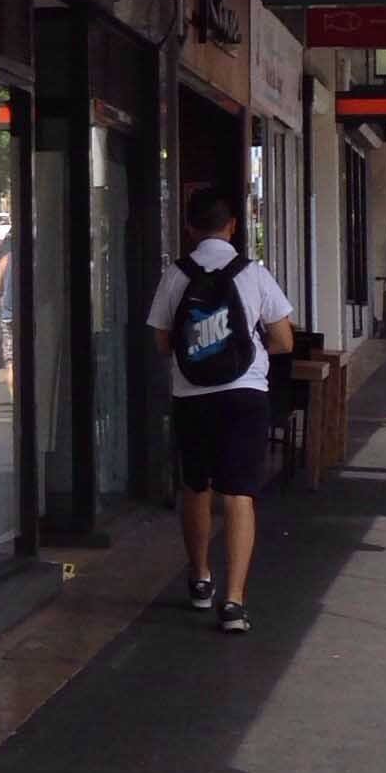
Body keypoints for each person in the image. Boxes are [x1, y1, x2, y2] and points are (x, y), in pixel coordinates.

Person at [149, 187, 296, 633]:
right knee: (238, 494)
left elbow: (160, 341)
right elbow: (284, 340)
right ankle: (233, 602)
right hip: (244, 394)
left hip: (191, 395)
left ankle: (199, 579)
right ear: (232, 225)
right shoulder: (253, 273)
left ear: (190, 228)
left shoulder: (176, 275)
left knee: (196, 486)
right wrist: (247, 353)